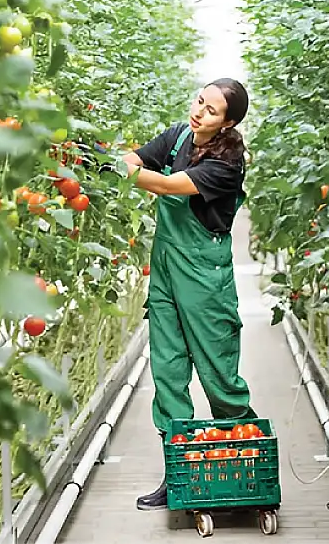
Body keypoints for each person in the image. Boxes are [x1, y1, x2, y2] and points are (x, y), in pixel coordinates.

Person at [119, 78, 257, 511]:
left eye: (212, 110)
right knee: (168, 373)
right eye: (200, 101)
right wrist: (123, 160)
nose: (199, 111)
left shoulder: (227, 163)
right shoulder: (178, 135)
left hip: (204, 277)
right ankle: (178, 476)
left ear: (228, 122)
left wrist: (120, 168)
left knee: (219, 377)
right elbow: (136, 157)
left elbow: (163, 184)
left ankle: (244, 473)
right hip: (164, 273)